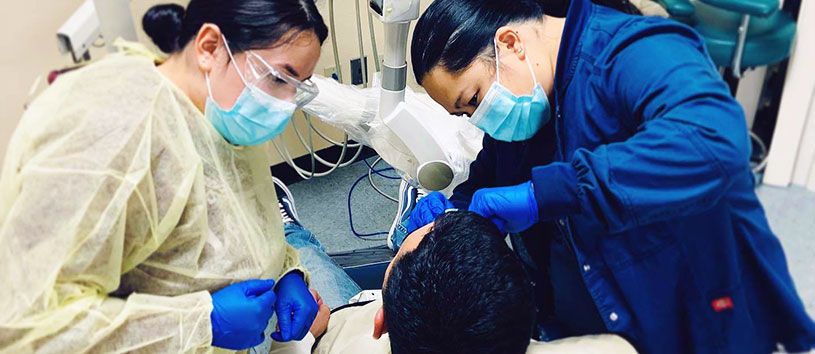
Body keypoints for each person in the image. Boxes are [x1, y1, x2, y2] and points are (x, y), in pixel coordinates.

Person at [405, 0, 815, 353]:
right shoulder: (523, 101)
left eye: (473, 100)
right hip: (586, 304)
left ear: (510, 44)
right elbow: (491, 178)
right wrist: (451, 213)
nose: (479, 120)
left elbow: (713, 143)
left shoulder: (635, 53)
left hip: (682, 301)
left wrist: (547, 194)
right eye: (465, 114)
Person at [0, 0, 331, 351]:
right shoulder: (114, 134)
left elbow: (244, 220)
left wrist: (286, 274)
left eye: (300, 85)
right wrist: (198, 323)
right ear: (209, 47)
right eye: (281, 78)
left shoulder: (221, 110)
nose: (285, 103)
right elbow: (26, 325)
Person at [269, 210, 637, 354]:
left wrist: (308, 337)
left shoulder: (349, 347)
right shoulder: (611, 350)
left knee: (302, 256)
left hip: (335, 324)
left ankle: (286, 225)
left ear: (381, 323)